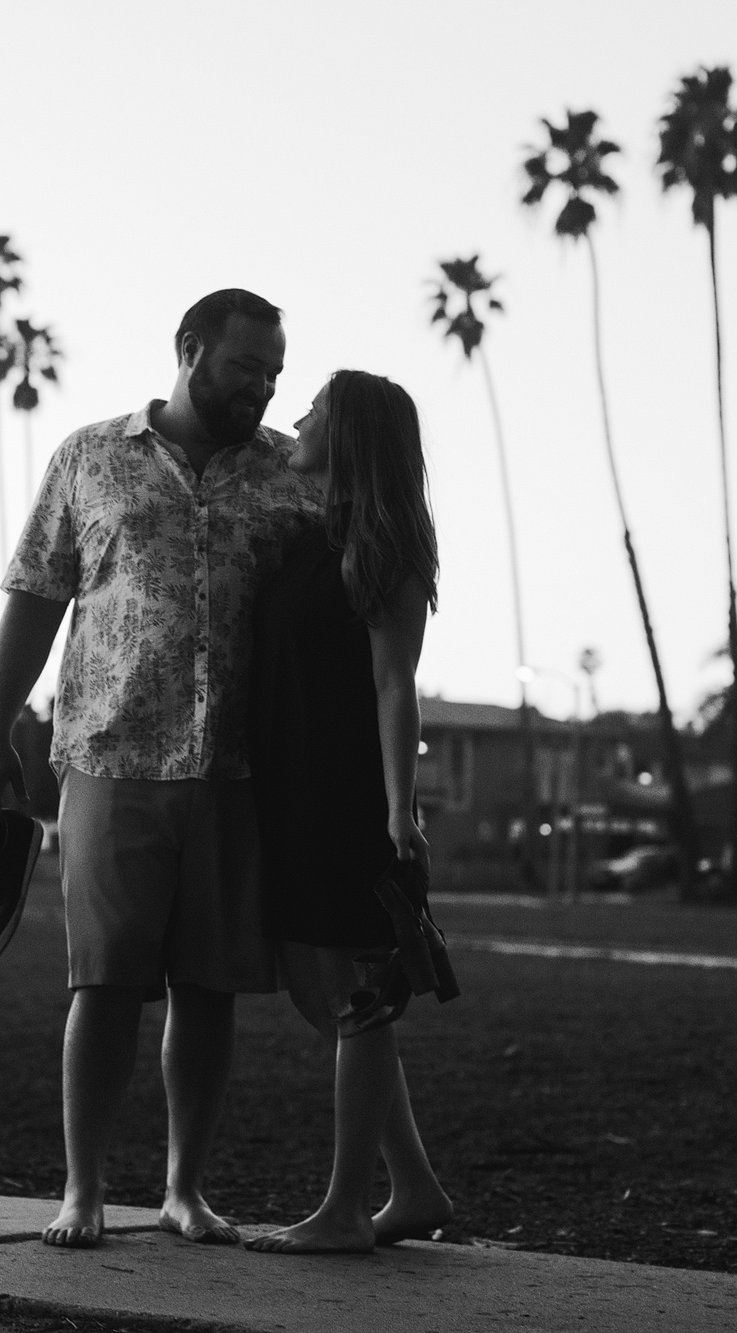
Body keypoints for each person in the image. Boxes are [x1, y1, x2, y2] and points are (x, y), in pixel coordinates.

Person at [0, 289, 320, 1248]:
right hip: (111, 755)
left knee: (209, 989)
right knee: (105, 983)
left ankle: (183, 1190)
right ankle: (83, 1190)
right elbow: (35, 599)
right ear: (190, 349)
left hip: (239, 770)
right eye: (248, 366)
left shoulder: (293, 473)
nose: (263, 387)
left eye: (276, 373)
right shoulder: (89, 458)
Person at [243, 370, 455, 1255]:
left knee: (358, 1000)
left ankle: (341, 1212)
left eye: (316, 411)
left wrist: (400, 811)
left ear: (353, 435)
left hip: (347, 799)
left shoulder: (386, 548)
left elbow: (392, 685)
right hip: (290, 789)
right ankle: (413, 1189)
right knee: (330, 998)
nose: (296, 418)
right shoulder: (305, 538)